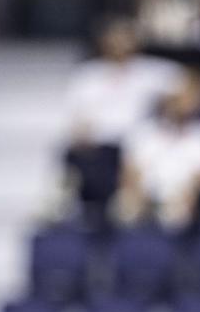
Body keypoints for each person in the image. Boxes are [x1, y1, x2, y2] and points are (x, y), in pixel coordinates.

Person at [58, 18, 188, 222]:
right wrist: (82, 135)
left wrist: (166, 110)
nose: (120, 44)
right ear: (104, 42)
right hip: (101, 144)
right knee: (76, 156)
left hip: (139, 142)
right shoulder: (88, 75)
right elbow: (78, 119)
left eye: (125, 38)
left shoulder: (152, 72)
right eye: (115, 38)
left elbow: (187, 87)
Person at [117, 76, 200, 231]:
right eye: (179, 98)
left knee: (176, 214)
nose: (183, 104)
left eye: (190, 99)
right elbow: (130, 173)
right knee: (124, 206)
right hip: (145, 195)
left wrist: (184, 197)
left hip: (181, 197)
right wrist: (140, 197)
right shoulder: (143, 132)